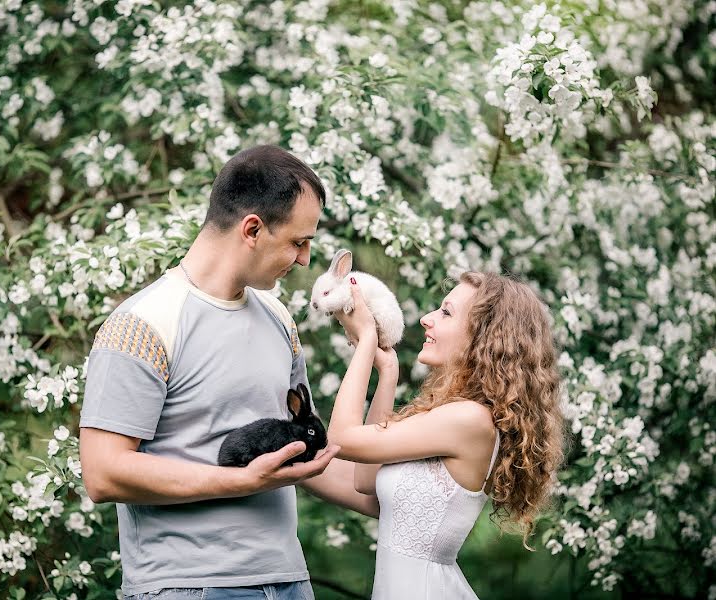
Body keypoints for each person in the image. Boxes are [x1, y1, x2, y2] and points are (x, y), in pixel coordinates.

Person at [79, 145, 378, 600]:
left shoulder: (279, 319)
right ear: (252, 229)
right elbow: (102, 473)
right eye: (298, 242)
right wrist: (240, 481)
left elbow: (305, 456)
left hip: (290, 582)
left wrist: (412, 506)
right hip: (188, 586)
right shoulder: (143, 324)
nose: (304, 259)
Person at [328, 272, 565, 599]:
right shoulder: (458, 413)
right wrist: (388, 374)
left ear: (483, 335)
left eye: (446, 312)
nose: (426, 319)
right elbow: (365, 479)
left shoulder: (469, 419)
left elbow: (342, 438)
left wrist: (367, 340)